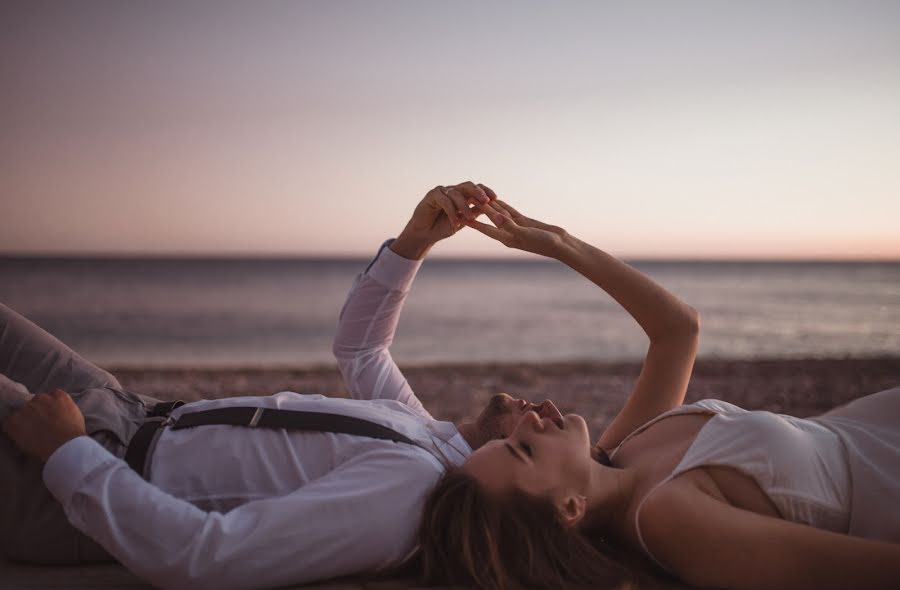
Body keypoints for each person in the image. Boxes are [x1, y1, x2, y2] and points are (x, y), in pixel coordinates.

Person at [0, 181, 563, 590]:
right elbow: (361, 349)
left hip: (83, 468)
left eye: (544, 434)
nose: (542, 409)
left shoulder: (412, 490)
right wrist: (414, 242)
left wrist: (68, 452)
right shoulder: (428, 435)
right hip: (129, 409)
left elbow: (208, 558)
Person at [418, 197, 900, 590]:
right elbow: (864, 569)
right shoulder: (666, 518)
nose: (528, 421)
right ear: (569, 508)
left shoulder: (624, 454)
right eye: (524, 450)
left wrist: (560, 245)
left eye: (509, 439)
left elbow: (677, 330)